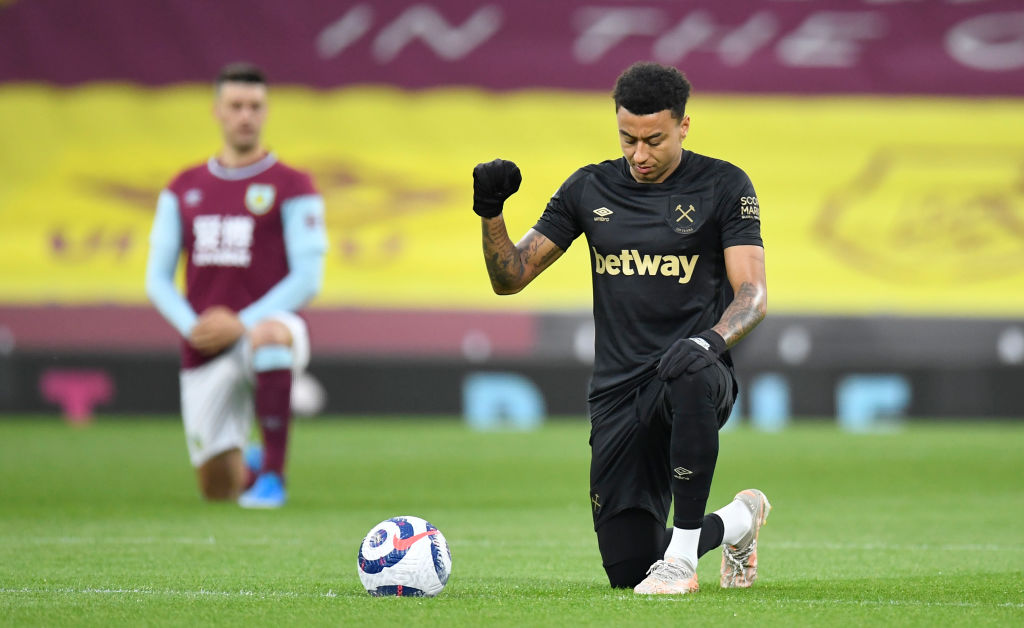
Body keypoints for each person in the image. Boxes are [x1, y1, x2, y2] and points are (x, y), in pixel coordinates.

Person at [471, 62, 770, 594]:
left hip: (698, 376)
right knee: (629, 571)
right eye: (628, 139)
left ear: (683, 126)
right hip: (617, 393)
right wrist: (490, 213)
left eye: (653, 140)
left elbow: (753, 295)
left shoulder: (724, 185)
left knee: (688, 369)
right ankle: (739, 521)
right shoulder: (590, 188)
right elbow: (510, 278)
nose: (639, 154)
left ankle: (682, 563)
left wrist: (708, 342)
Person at [145, 62, 327, 509]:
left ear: (266, 111)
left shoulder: (293, 184)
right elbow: (157, 278)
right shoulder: (183, 187)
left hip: (265, 329)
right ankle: (250, 465)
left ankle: (273, 477)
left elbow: (308, 277)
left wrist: (241, 323)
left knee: (270, 335)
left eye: (254, 106)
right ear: (217, 111)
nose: (246, 115)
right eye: (236, 106)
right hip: (206, 342)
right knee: (217, 489)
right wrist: (193, 328)